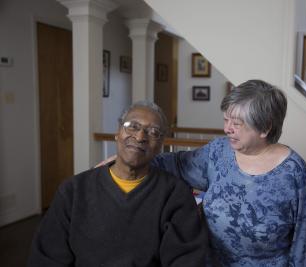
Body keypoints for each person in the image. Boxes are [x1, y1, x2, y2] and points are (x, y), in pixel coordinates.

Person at [152, 80, 306, 266]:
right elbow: (176, 164)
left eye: (237, 123)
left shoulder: (294, 173)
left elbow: (305, 246)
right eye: (226, 119)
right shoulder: (218, 152)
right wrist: (127, 162)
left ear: (265, 127)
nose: (227, 129)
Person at [28, 101, 208, 267]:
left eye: (153, 132)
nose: (140, 137)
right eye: (132, 127)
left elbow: (186, 260)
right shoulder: (73, 191)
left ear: (160, 144)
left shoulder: (175, 195)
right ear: (118, 133)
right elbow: (46, 258)